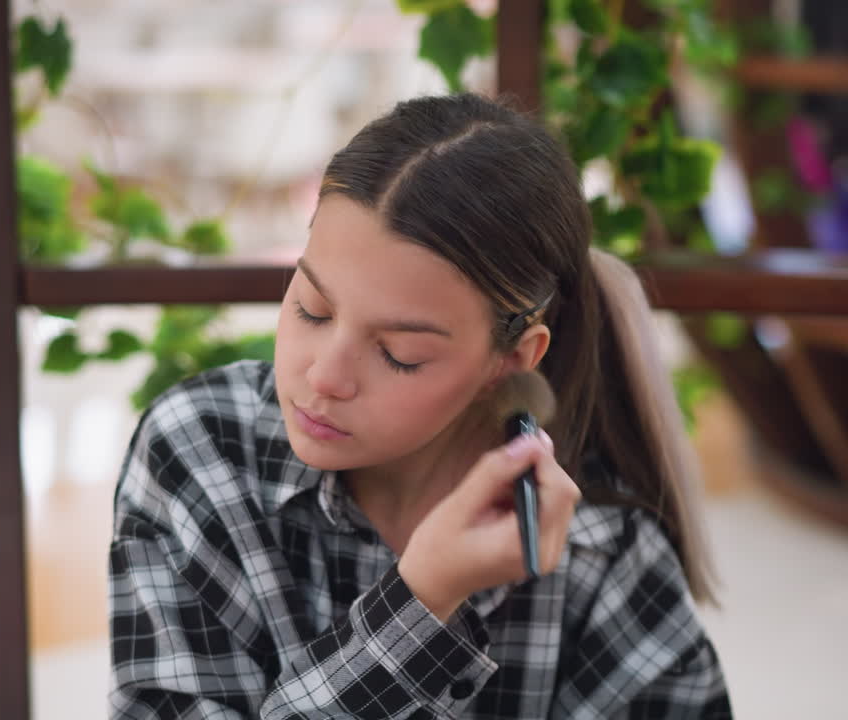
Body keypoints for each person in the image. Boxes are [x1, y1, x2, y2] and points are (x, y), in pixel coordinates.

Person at [109, 92, 732, 719]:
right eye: (312, 308)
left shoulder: (601, 553)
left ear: (513, 358)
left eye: (400, 353)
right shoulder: (200, 450)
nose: (324, 377)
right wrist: (421, 601)